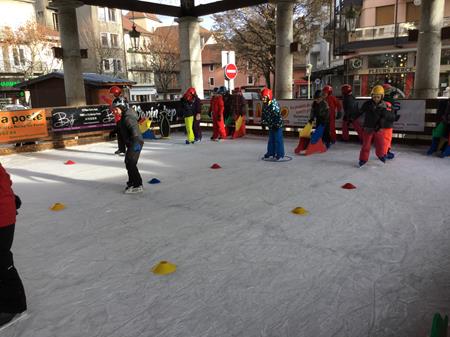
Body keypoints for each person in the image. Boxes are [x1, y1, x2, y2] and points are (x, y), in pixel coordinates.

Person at [0, 163, 27, 327]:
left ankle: (14, 306)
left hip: (2, 217)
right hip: (5, 210)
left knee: (1, 260)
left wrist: (8, 198)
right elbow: (6, 179)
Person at [112, 97, 144, 194]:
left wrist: (134, 142)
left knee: (131, 163)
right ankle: (132, 182)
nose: (115, 111)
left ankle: (138, 185)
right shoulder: (123, 117)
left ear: (122, 107)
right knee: (128, 162)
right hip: (132, 142)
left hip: (136, 142)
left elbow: (134, 130)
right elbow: (120, 126)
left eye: (116, 109)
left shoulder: (128, 118)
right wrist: (113, 132)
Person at [358, 85, 388, 167]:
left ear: (381, 97)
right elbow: (360, 112)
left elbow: (384, 116)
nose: (376, 99)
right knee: (366, 145)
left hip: (379, 128)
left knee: (380, 144)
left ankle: (381, 155)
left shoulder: (384, 105)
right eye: (374, 97)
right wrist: (354, 115)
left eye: (378, 97)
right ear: (372, 96)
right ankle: (363, 159)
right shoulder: (367, 104)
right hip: (368, 127)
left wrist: (380, 124)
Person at [261, 88, 285, 160]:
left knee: (278, 139)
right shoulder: (265, 104)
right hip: (271, 124)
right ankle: (271, 152)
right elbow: (264, 114)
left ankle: (280, 154)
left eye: (265, 97)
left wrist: (276, 125)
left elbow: (277, 115)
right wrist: (263, 123)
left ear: (269, 96)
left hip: (277, 125)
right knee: (271, 139)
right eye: (262, 97)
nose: (263, 99)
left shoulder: (274, 104)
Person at [382, 83, 401, 159]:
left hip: (386, 123)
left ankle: (386, 151)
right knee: (386, 138)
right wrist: (394, 117)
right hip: (387, 123)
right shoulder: (388, 100)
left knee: (387, 138)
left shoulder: (386, 99)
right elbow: (388, 114)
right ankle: (384, 153)